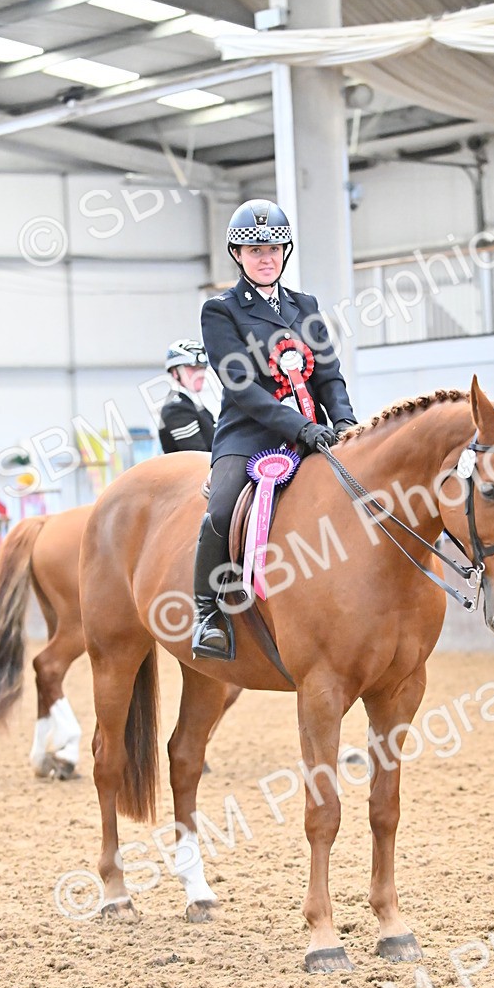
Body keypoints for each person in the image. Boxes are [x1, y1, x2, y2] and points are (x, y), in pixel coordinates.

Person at [192, 198, 357, 661]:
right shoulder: (221, 310)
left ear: (284, 252)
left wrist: (344, 421)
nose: (266, 258)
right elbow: (241, 387)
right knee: (221, 508)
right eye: (255, 250)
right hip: (248, 436)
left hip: (315, 433)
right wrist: (301, 427)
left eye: (273, 249)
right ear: (238, 255)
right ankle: (208, 613)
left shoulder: (305, 307)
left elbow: (329, 375)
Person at [158, 339, 216, 453]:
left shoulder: (191, 404)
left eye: (202, 368)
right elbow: (197, 455)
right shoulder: (176, 409)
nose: (200, 374)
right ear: (175, 372)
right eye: (193, 369)